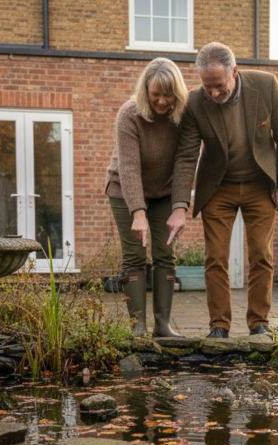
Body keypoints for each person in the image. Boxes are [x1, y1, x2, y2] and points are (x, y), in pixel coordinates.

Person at [173, 42, 278, 339]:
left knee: (261, 256)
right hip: (218, 187)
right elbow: (187, 156)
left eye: (219, 86)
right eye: (207, 87)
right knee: (215, 258)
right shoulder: (194, 102)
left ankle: (259, 322)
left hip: (258, 183)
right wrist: (179, 205)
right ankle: (219, 325)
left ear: (235, 72)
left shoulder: (265, 85)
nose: (213, 93)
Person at [104, 57, 189, 337]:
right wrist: (137, 213)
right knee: (134, 255)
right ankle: (137, 326)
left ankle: (163, 325)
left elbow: (184, 162)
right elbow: (129, 167)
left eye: (169, 95)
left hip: (165, 190)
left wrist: (179, 206)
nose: (163, 101)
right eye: (156, 94)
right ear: (146, 91)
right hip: (124, 190)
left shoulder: (183, 116)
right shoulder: (130, 114)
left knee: (166, 253)